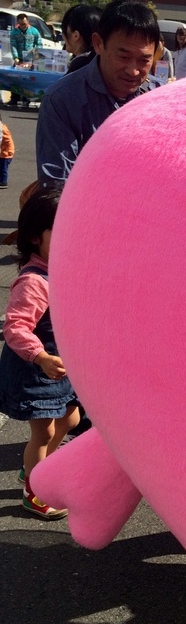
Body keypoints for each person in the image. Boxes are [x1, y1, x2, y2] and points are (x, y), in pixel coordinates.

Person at [0, 187, 80, 519]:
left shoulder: (63, 267)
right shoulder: (34, 282)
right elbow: (15, 327)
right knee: (43, 432)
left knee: (71, 419)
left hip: (59, 369)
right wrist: (41, 357)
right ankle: (34, 493)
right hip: (36, 370)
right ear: (35, 237)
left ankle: (35, 465)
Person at [36, 0, 161, 186]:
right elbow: (56, 185)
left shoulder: (161, 97)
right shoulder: (62, 100)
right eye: (123, 57)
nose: (133, 71)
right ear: (98, 44)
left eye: (144, 60)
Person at [9, 13, 42, 106]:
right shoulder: (14, 32)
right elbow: (13, 45)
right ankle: (14, 98)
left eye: (24, 24)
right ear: (18, 23)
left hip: (30, 59)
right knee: (15, 79)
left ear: (28, 21)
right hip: (19, 59)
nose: (23, 26)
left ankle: (26, 98)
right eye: (21, 24)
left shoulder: (34, 31)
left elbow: (39, 44)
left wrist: (36, 55)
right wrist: (15, 57)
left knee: (28, 80)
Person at [61, 3, 102, 73]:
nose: (62, 35)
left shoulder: (79, 70)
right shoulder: (99, 64)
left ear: (76, 35)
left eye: (64, 29)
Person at [0, 115, 15, 188]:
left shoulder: (2, 129)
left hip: (6, 154)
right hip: (4, 153)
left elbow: (5, 140)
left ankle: (3, 182)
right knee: (1, 167)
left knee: (3, 168)